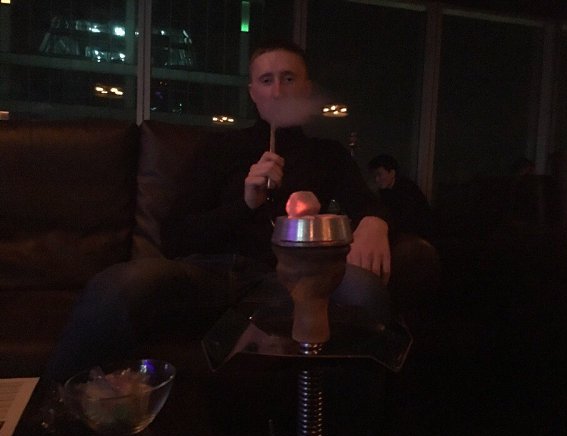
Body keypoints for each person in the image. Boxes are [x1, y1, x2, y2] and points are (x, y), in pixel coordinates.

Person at [43, 40, 393, 384]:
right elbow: (175, 238)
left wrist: (375, 223)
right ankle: (56, 400)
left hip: (287, 281)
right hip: (206, 275)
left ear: (306, 89)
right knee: (120, 284)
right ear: (253, 92)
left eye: (288, 79)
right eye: (266, 80)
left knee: (363, 291)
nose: (277, 92)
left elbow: (367, 203)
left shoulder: (328, 155)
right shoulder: (220, 147)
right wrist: (245, 204)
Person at [368, 154, 434, 242]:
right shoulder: (385, 191)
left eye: (379, 175)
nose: (377, 179)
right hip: (404, 234)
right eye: (375, 176)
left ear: (392, 173)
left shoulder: (407, 189)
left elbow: (407, 219)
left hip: (418, 236)